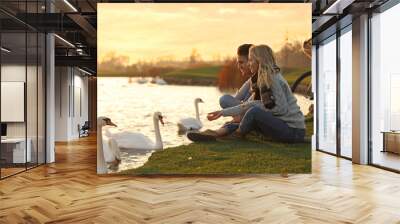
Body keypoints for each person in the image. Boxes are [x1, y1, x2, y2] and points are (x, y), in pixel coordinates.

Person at [188, 45, 305, 143]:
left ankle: (234, 134)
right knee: (251, 110)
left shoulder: (273, 78)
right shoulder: (263, 78)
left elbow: (282, 109)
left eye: (250, 60)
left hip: (293, 131)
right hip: (283, 126)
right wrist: (222, 112)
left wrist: (256, 105)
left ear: (259, 61)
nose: (249, 64)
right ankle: (216, 133)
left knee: (253, 111)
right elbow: (250, 104)